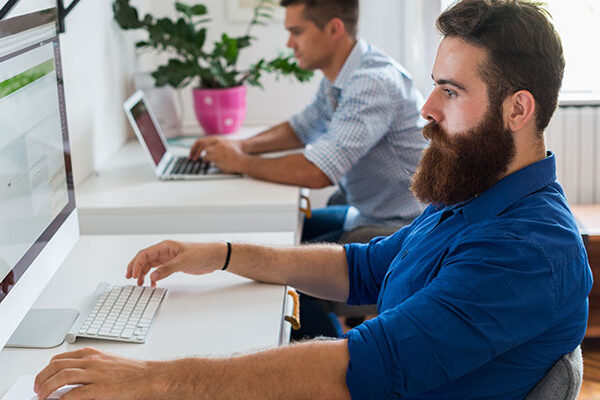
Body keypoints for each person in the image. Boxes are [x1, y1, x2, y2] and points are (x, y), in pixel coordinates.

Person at [34, 1, 593, 399]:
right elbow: (363, 267)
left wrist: (152, 379)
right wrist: (222, 254)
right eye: (434, 84)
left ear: (517, 109)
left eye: (451, 91)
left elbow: (360, 367)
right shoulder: (478, 189)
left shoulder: (525, 250)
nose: (426, 107)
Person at [188, 0, 427, 243]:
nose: (289, 43)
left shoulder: (371, 83)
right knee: (270, 231)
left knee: (272, 251)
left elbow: (318, 171)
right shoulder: (342, 75)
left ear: (334, 28)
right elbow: (301, 129)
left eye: (297, 32)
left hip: (401, 230)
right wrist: (241, 146)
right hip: (367, 216)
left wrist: (240, 162)